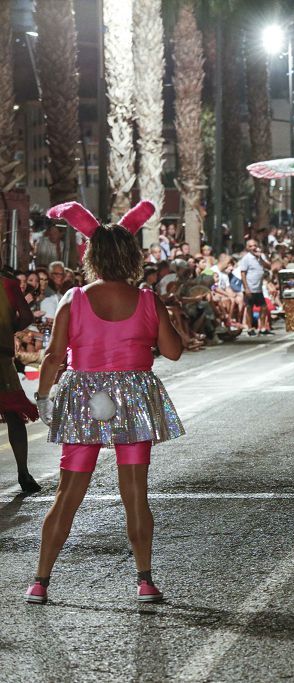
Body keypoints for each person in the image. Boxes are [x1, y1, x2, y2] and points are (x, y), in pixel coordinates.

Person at [27, 200, 185, 605]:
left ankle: (41, 582)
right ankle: (145, 580)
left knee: (68, 493)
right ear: (132, 256)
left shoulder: (74, 298)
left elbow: (53, 358)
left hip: (84, 398)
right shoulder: (148, 299)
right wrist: (163, 320)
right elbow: (173, 352)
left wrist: (45, 398)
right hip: (133, 400)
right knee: (136, 492)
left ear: (90, 255)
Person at [0, 271, 41, 493]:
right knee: (14, 415)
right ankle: (23, 473)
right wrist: (10, 327)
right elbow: (26, 317)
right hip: (2, 357)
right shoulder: (8, 284)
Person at [238, 238, 271, 336]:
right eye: (250, 246)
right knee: (249, 307)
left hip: (259, 287)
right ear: (247, 248)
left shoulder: (261, 256)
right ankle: (249, 328)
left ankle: (262, 327)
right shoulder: (246, 258)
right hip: (250, 287)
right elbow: (243, 274)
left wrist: (260, 258)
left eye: (255, 245)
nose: (253, 248)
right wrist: (246, 288)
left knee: (264, 307)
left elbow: (268, 266)